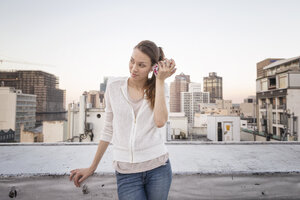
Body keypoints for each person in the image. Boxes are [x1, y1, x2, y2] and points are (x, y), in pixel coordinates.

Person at [69, 40, 177, 200]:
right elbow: (108, 129)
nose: (134, 68)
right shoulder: (114, 86)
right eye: (132, 61)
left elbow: (160, 122)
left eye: (141, 65)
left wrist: (160, 80)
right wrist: (92, 167)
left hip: (158, 168)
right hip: (127, 173)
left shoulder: (160, 88)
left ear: (152, 67)